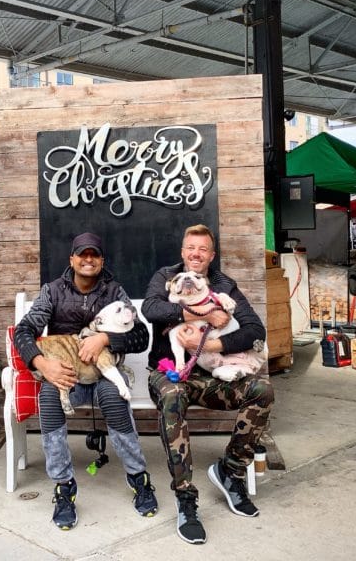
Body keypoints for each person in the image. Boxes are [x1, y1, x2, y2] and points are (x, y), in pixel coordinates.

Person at [14, 231, 158, 530]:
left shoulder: (114, 291)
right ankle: (64, 485)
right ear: (72, 259)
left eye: (94, 254)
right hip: (68, 376)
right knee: (50, 398)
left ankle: (138, 476)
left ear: (102, 260)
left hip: (106, 373)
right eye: (82, 254)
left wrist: (104, 337)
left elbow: (141, 335)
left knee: (114, 399)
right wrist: (41, 363)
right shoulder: (52, 291)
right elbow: (24, 331)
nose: (88, 259)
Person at [141, 224, 274, 545]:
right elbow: (151, 309)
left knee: (262, 390)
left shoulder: (226, 285)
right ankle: (186, 497)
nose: (195, 254)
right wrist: (195, 315)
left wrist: (214, 346)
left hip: (213, 376)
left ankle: (231, 470)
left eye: (202, 249)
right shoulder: (166, 276)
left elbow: (255, 331)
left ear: (211, 255)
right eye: (190, 248)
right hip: (170, 372)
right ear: (183, 251)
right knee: (172, 396)